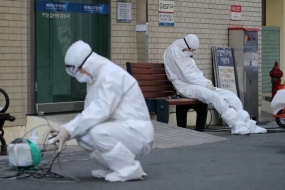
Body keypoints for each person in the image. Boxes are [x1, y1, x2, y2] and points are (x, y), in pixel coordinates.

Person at [52, 40, 154, 182]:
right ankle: (114, 166)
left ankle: (129, 169)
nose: (75, 74)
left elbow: (101, 109)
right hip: (120, 128)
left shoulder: (111, 74)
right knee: (83, 134)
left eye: (74, 69)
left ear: (86, 64)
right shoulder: (95, 79)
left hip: (137, 131)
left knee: (97, 132)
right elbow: (89, 114)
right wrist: (67, 130)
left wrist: (69, 129)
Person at [163, 34, 267, 135]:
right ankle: (236, 125)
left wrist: (206, 82)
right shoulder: (173, 53)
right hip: (184, 86)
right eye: (192, 50)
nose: (192, 53)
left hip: (197, 83)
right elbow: (185, 75)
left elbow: (193, 73)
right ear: (187, 47)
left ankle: (246, 123)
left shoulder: (183, 53)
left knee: (230, 96)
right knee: (214, 96)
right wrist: (205, 83)